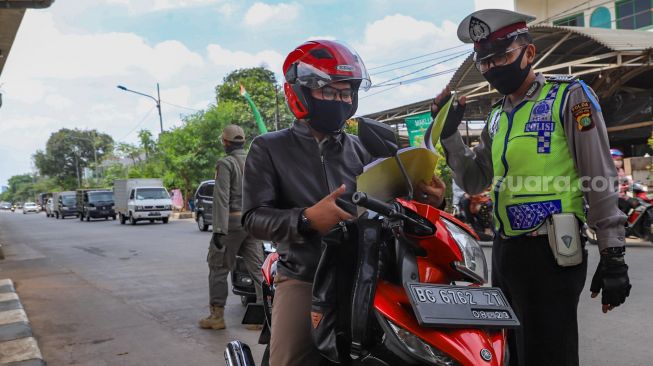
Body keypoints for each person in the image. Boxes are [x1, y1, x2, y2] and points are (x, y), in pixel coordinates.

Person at [432, 9, 632, 366]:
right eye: (485, 62)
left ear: (529, 53)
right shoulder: (495, 116)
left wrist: (613, 253)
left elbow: (598, 177)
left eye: (502, 57)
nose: (493, 69)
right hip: (506, 253)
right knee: (509, 354)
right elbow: (476, 179)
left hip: (553, 252)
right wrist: (449, 134)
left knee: (547, 354)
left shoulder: (570, 97)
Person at [241, 40, 445, 366]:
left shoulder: (364, 148)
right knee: (290, 359)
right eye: (329, 92)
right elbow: (253, 218)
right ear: (300, 92)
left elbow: (394, 205)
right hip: (305, 277)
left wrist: (428, 199)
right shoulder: (268, 149)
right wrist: (306, 219)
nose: (340, 101)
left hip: (368, 277)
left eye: (345, 93)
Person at [198, 124, 264, 331]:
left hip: (231, 224)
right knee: (258, 270)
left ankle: (216, 317)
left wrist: (218, 229)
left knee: (218, 268)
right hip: (252, 222)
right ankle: (262, 315)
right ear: (243, 141)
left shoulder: (225, 163)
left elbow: (221, 198)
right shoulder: (255, 162)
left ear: (225, 142)